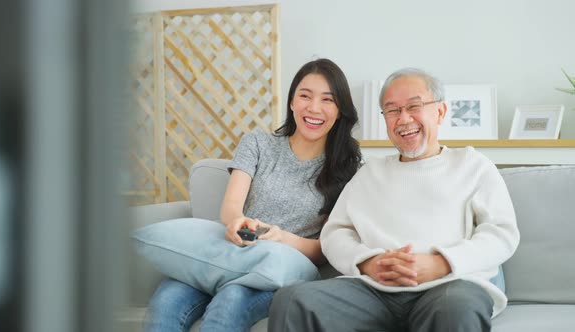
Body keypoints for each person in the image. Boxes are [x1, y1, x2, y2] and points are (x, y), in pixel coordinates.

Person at [268, 68, 520, 332]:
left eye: (414, 106)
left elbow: (501, 234)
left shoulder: (473, 165)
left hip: (448, 286)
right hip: (372, 291)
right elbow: (335, 233)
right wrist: (367, 263)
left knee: (455, 309)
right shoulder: (370, 173)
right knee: (293, 300)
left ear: (441, 111)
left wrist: (440, 263)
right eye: (392, 110)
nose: (404, 119)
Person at [143, 58, 362, 332]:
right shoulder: (257, 143)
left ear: (340, 110)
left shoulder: (347, 169)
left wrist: (281, 237)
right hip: (225, 255)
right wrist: (236, 221)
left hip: (275, 271)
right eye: (305, 96)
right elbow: (232, 206)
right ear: (292, 102)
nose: (314, 108)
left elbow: (327, 248)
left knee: (229, 303)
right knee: (165, 303)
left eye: (327, 100)